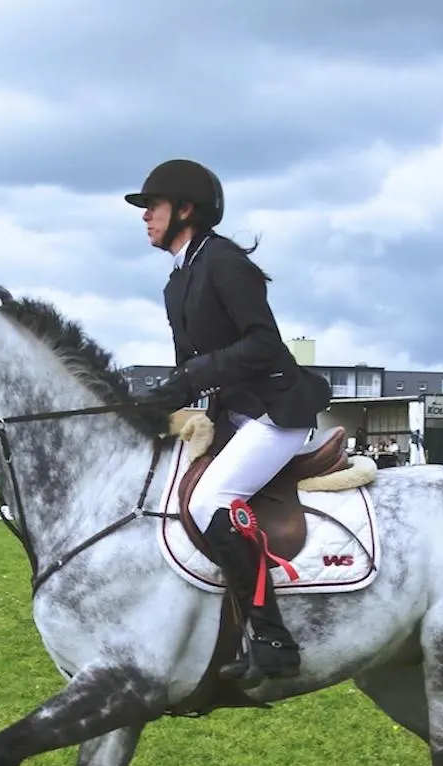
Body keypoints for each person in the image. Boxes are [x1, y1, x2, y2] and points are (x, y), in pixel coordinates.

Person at [127, 159, 332, 686]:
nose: (145, 216)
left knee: (207, 501)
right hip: (233, 418)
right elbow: (189, 371)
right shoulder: (177, 283)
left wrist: (191, 375)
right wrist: (158, 403)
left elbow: (263, 343)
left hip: (275, 413)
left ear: (186, 210)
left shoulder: (222, 262)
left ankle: (270, 636)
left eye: (153, 206)